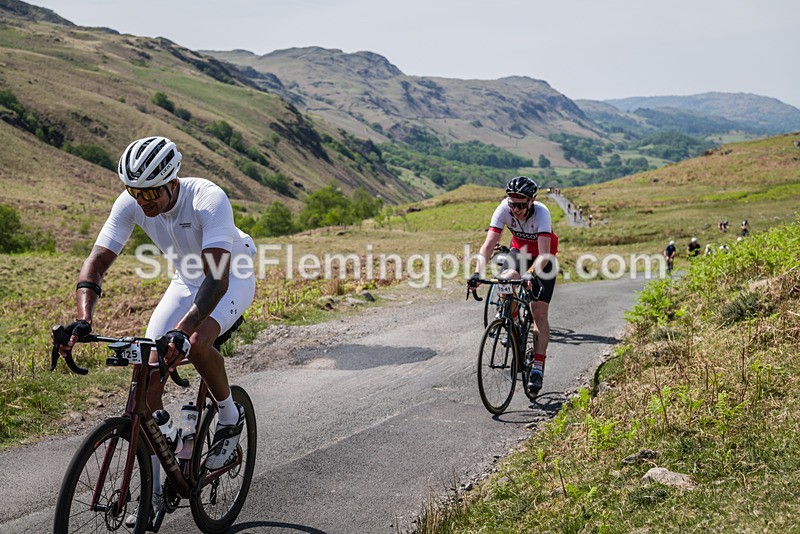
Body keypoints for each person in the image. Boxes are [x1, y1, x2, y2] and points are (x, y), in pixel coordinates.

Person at [56, 136, 257, 517]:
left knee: (195, 342)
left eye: (150, 192)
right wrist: (84, 319)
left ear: (171, 181)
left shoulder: (208, 199)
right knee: (147, 374)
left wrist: (182, 330)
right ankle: (154, 488)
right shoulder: (130, 203)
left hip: (230, 274)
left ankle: (230, 417)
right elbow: (96, 262)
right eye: (135, 191)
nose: (142, 200)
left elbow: (217, 279)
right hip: (185, 280)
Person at [468, 176, 558, 397]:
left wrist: (529, 274)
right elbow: (488, 244)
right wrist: (478, 272)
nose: (515, 209)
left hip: (543, 258)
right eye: (512, 203)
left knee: (538, 311)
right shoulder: (504, 208)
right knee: (505, 279)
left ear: (532, 201)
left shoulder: (542, 213)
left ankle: (537, 366)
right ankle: (514, 321)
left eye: (520, 204)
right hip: (520, 252)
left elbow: (545, 254)